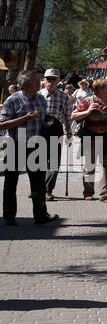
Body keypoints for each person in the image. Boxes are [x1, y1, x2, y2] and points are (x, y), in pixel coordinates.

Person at [1, 70, 57, 225]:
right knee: (11, 183)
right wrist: (26, 118)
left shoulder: (40, 98)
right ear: (25, 84)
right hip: (16, 145)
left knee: (38, 183)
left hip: (36, 145)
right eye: (36, 81)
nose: (40, 84)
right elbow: (1, 125)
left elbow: (43, 118)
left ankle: (41, 216)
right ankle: (9, 217)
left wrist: (47, 124)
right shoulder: (12, 100)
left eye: (39, 80)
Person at [70, 77, 107, 201]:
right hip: (91, 136)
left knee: (105, 165)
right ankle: (88, 192)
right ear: (100, 89)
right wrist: (88, 112)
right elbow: (73, 115)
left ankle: (104, 192)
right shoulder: (88, 101)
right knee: (90, 166)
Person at [38, 69, 73, 202]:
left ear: (58, 81)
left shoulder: (64, 97)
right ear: (44, 80)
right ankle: (36, 189)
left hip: (55, 131)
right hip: (39, 131)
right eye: (48, 79)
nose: (51, 82)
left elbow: (68, 118)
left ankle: (47, 190)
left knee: (53, 163)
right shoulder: (38, 95)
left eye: (54, 79)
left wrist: (69, 135)